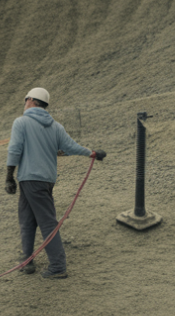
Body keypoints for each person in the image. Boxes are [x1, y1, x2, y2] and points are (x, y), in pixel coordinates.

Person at [6, 87, 105, 279]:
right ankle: (27, 260)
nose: (24, 103)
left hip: (29, 180)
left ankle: (58, 266)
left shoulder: (21, 122)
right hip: (43, 180)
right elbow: (71, 147)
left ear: (32, 101)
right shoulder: (55, 126)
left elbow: (14, 150)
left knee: (47, 223)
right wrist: (92, 153)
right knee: (27, 220)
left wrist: (8, 177)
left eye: (25, 100)